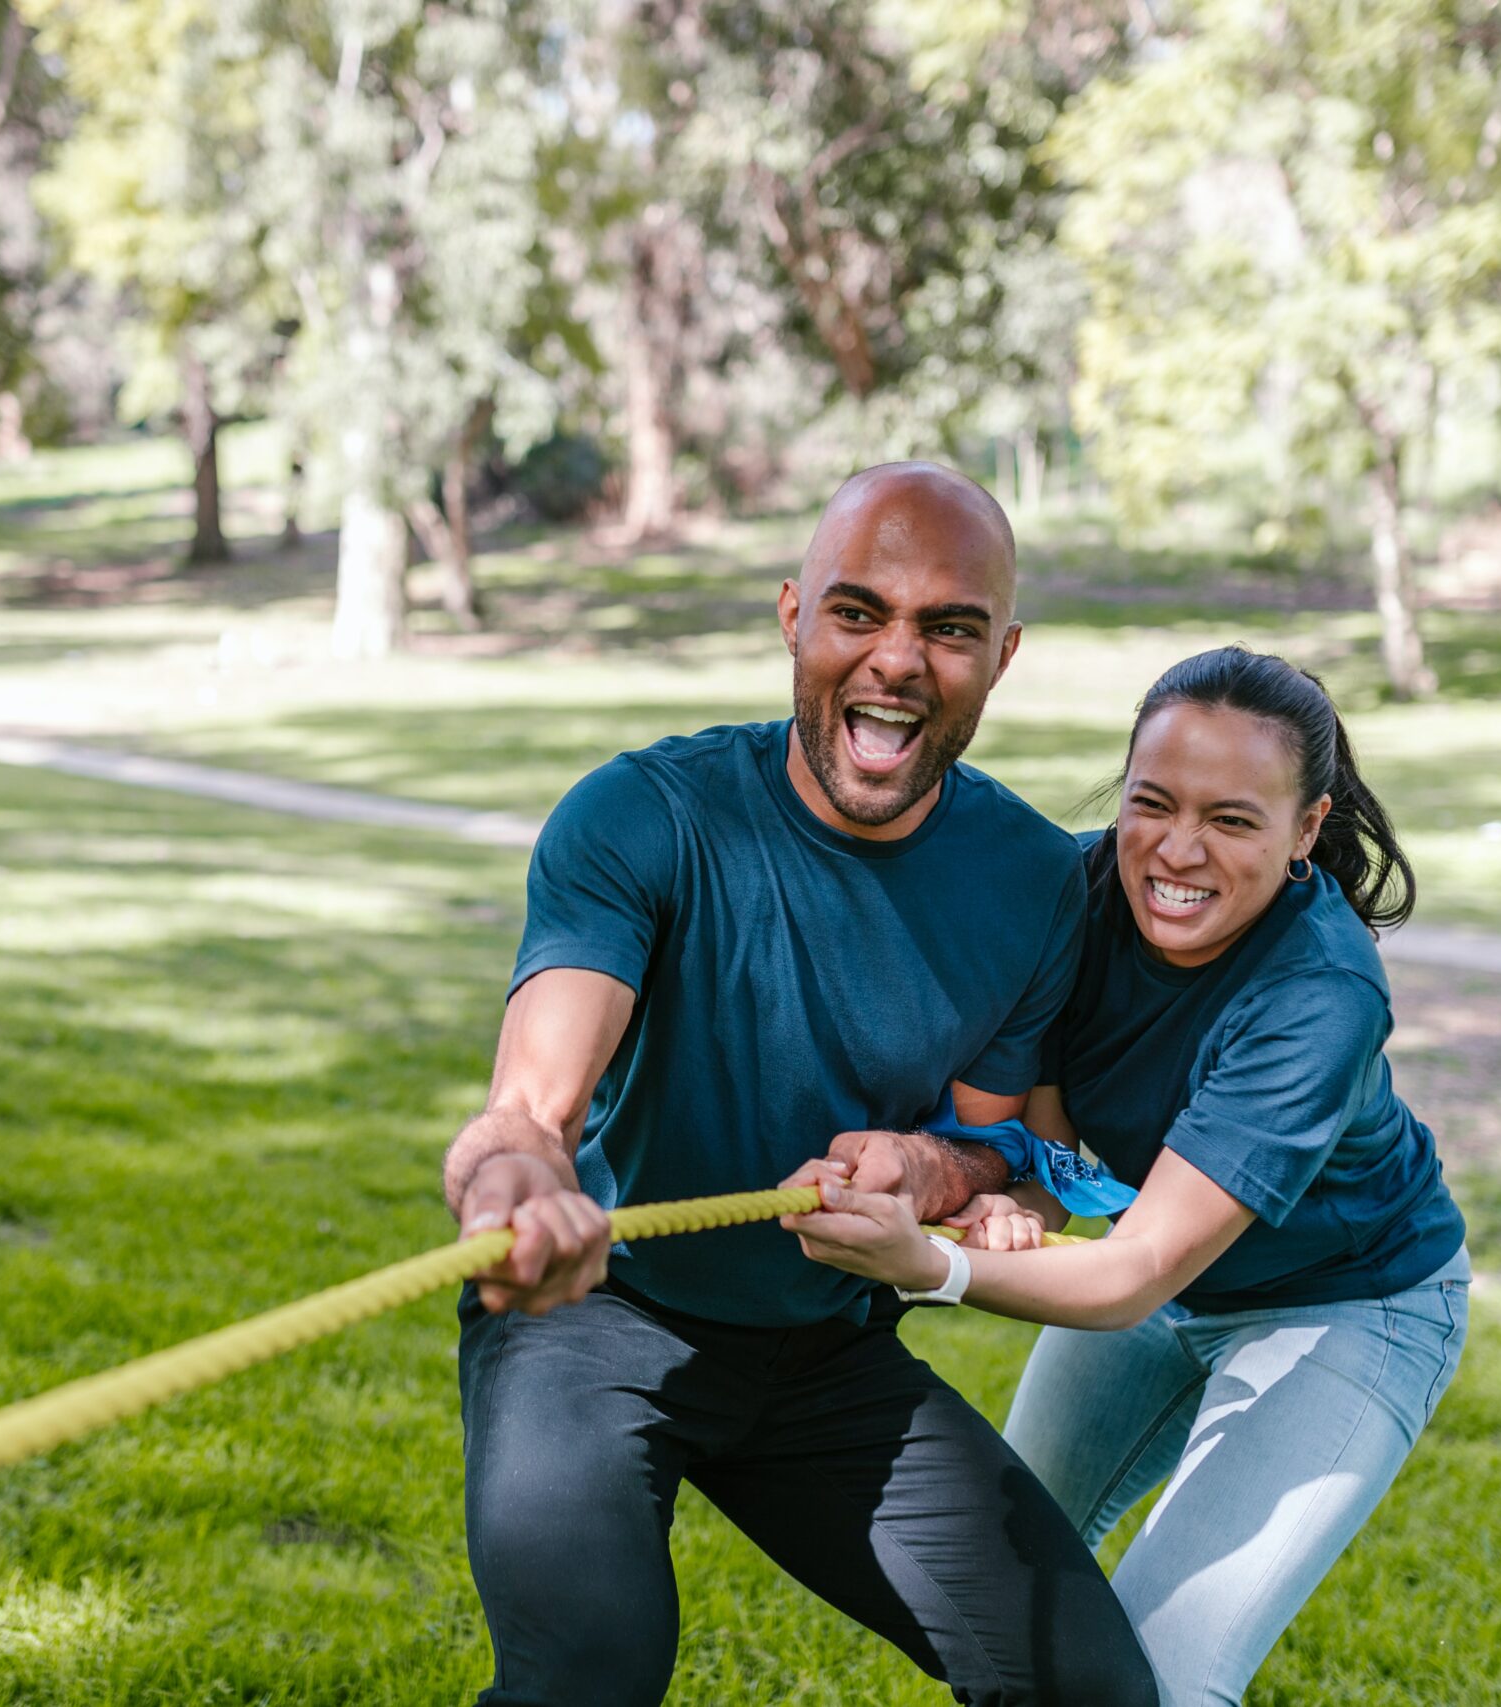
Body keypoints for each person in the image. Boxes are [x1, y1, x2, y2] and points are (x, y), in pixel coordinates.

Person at [443, 462, 1157, 1707]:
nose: (897, 660)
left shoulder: (1039, 880)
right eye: (857, 612)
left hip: (822, 1356)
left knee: (1088, 1688)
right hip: (595, 1318)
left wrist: (927, 1168)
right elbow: (530, 1107)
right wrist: (518, 1184)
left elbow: (991, 1147)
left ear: (1002, 656)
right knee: (590, 1677)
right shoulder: (644, 816)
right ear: (792, 616)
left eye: (949, 629)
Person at [782, 645, 1469, 1707]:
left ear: (1306, 828)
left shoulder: (1320, 993)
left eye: (1233, 820)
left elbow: (1134, 1272)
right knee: (999, 1597)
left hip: (1348, 1305)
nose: (1176, 852)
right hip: (1167, 1259)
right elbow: (1059, 1152)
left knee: (1165, 1676)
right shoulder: (1076, 896)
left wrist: (929, 1266)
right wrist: (1015, 1201)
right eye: (1153, 802)